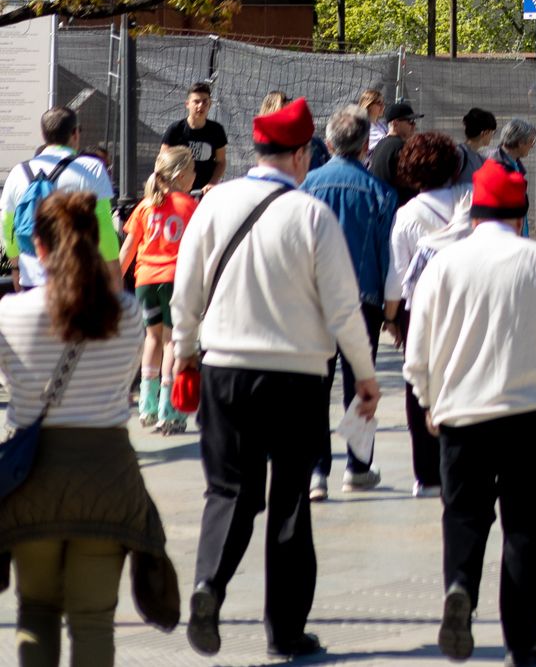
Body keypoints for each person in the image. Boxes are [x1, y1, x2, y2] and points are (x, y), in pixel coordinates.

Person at [173, 98, 380, 663]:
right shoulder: (311, 214)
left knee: (228, 491)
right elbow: (342, 309)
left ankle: (208, 586)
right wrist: (364, 375)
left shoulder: (215, 205)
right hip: (295, 378)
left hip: (223, 368)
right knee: (290, 501)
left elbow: (185, 290)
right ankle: (284, 632)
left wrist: (182, 352)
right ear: (297, 154)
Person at [404, 158, 536, 667]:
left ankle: (460, 588)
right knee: (527, 528)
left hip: (462, 415)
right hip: (529, 414)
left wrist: (427, 400)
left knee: (463, 515)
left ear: (476, 212)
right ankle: (522, 643)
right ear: (518, 214)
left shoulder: (443, 264)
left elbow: (416, 353)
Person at [0, 191, 170, 667]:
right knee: (94, 621)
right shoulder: (128, 312)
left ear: (37, 246)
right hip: (108, 478)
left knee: (35, 614)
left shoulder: (10, 313)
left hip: (30, 481)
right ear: (99, 242)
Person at [303, 104, 398, 498]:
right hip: (365, 299)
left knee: (315, 386)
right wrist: (391, 313)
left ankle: (315, 471)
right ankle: (357, 465)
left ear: (328, 143)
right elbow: (386, 256)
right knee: (360, 382)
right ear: (365, 147)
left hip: (314, 299)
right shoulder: (382, 193)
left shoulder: (306, 185)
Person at [383, 129, 471, 500]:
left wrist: (391, 317)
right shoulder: (468, 202)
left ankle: (427, 473)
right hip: (466, 305)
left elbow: (397, 274)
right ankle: (464, 464)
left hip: (420, 310)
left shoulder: (406, 215)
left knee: (419, 384)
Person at [119, 142, 199, 432]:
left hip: (145, 281)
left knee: (151, 339)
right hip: (175, 279)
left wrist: (116, 282)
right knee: (173, 342)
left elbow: (128, 248)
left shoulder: (145, 205)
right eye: (192, 169)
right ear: (180, 175)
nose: (195, 175)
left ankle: (146, 406)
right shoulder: (190, 206)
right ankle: (170, 409)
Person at [3, 111, 121, 296]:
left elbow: (7, 225)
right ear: (75, 133)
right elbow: (104, 229)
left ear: (44, 134)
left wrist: (16, 268)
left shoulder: (18, 172)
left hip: (31, 278)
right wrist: (114, 275)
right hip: (78, 278)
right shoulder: (91, 168)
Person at [163, 84, 228, 194]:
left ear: (210, 104)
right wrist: (167, 187)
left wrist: (212, 183)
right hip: (177, 191)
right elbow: (162, 162)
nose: (201, 106)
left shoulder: (217, 130)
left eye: (205, 102)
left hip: (204, 193)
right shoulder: (175, 129)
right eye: (196, 102)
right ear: (187, 104)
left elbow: (221, 162)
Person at [366, 101, 420, 195]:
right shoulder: (400, 147)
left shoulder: (382, 143)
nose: (414, 125)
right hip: (397, 205)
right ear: (395, 123)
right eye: (410, 121)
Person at [457, 109, 498, 185]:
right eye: (493, 132)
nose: (492, 136)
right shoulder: (459, 154)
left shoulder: (480, 157)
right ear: (485, 133)